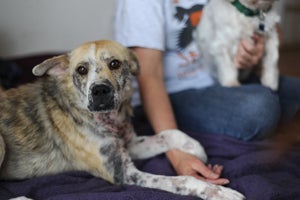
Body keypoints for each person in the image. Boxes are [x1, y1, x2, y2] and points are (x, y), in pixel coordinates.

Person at [114, 0, 300, 185]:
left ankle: (277, 117)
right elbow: (149, 75)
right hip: (174, 92)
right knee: (260, 108)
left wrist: (257, 50)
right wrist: (177, 150)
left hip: (220, 78)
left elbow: (273, 29)